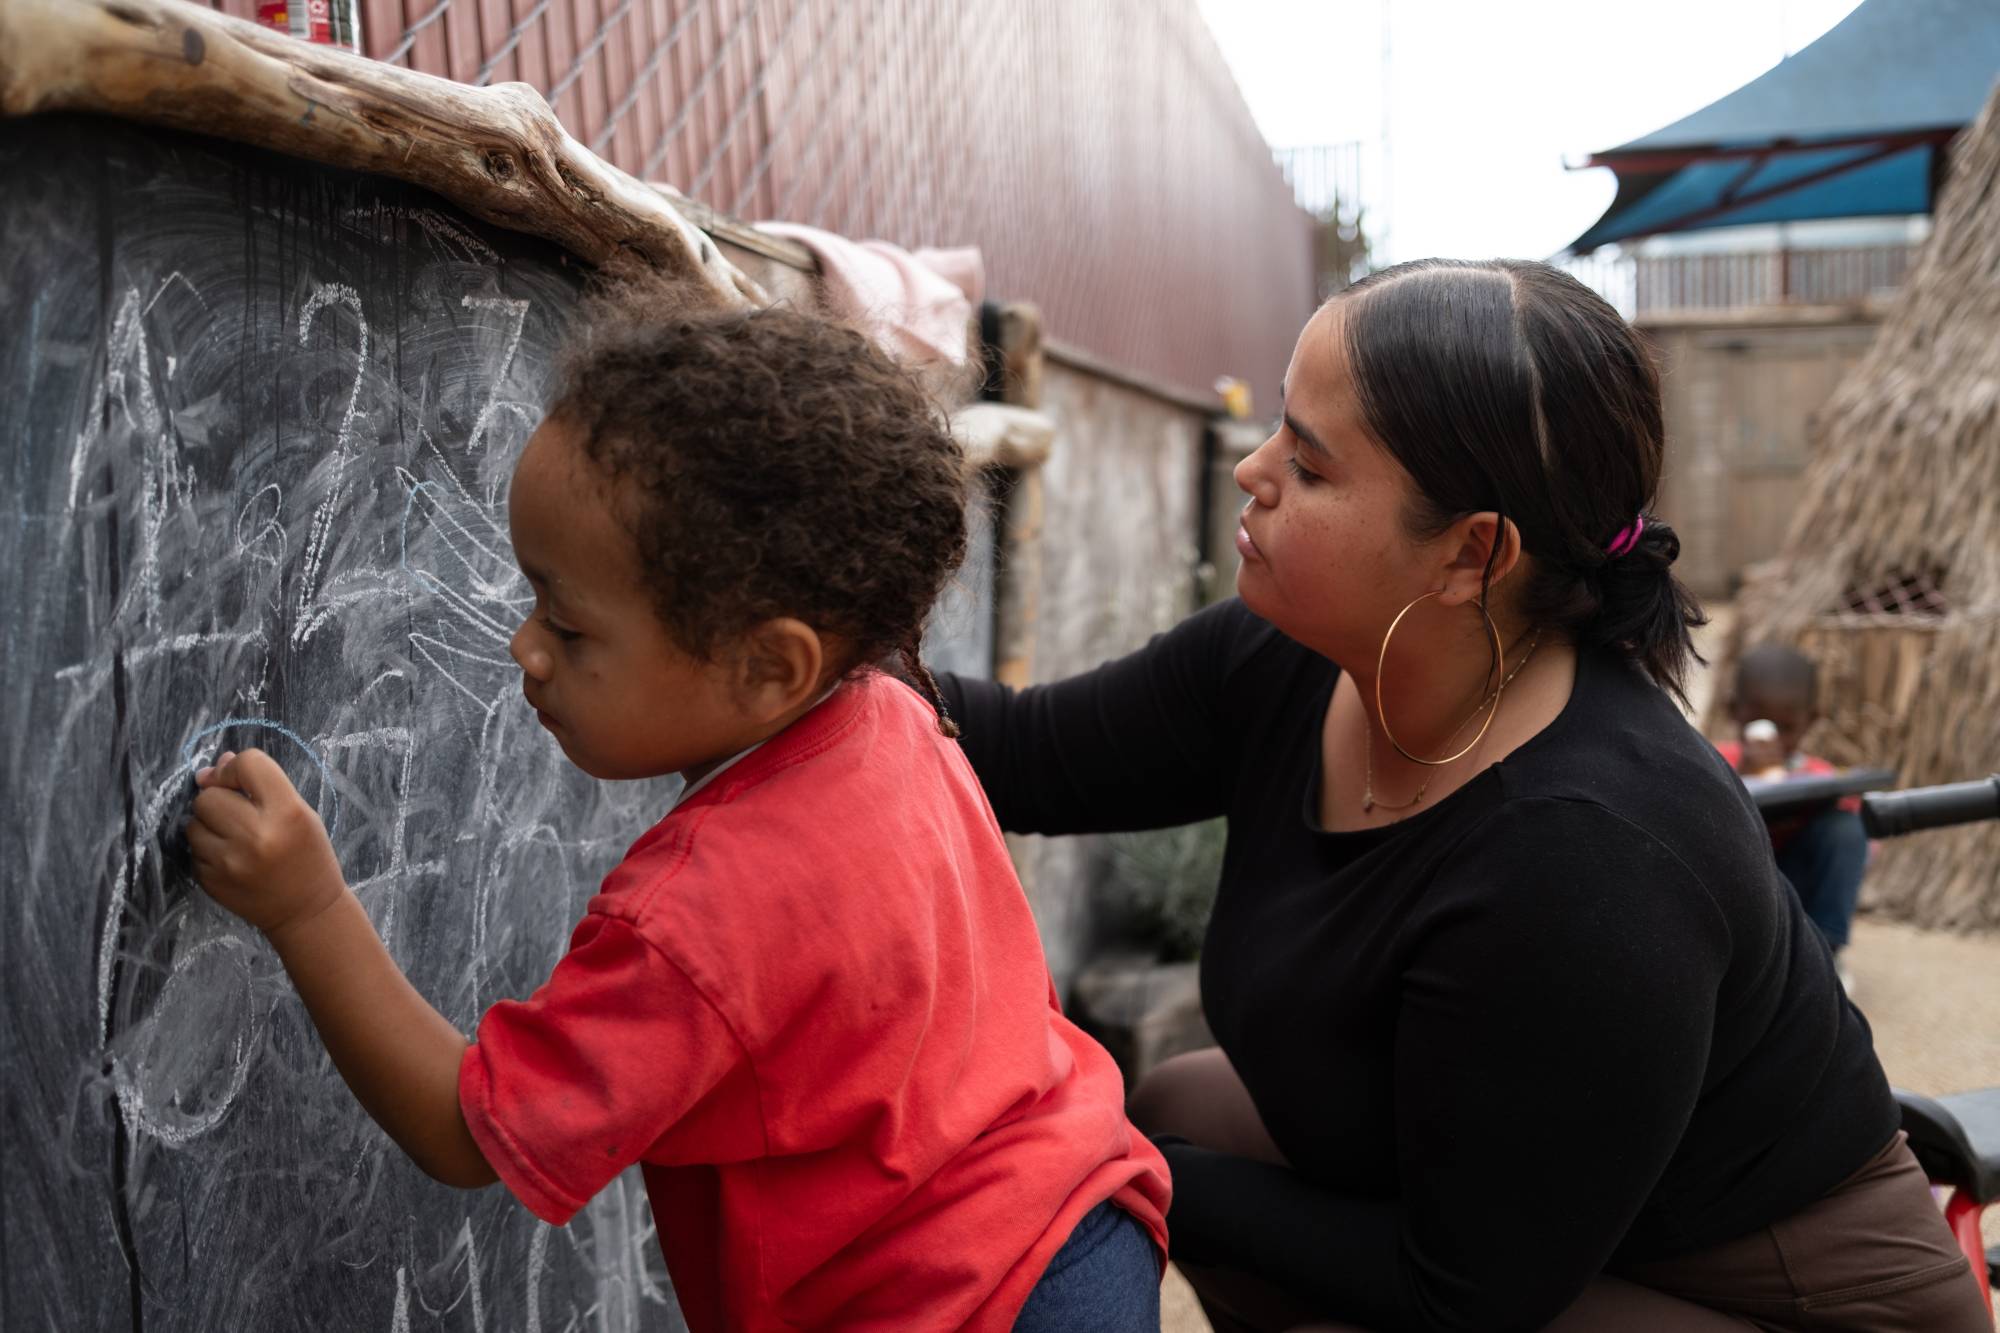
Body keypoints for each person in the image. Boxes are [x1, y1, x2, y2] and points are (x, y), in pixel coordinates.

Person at [938, 259, 1988, 1331]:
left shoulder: (1586, 855)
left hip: (1775, 1295)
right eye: (1279, 427)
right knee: (1182, 1108)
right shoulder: (1287, 659)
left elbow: (1462, 1297)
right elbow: (1016, 751)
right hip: (1543, 1237)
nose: (1253, 470)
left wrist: (1108, 1163)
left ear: (1469, 552)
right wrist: (834, 634)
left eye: (1308, 464)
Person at [184, 287, 1169, 1332]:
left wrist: (307, 907)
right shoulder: (896, 720)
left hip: (958, 1307)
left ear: (768, 666)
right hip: (1079, 1226)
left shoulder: (698, 917)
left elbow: (466, 1133)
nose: (525, 647)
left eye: (568, 626)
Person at [1718, 643, 1869, 988]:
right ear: (1733, 711)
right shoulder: (1714, 761)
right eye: (1759, 723)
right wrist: (1744, 779)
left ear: (1810, 721)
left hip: (1795, 889)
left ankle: (1824, 954)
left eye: (1786, 728)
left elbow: (1857, 845)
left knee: (1845, 828)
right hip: (1740, 890)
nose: (1773, 739)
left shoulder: (1818, 774)